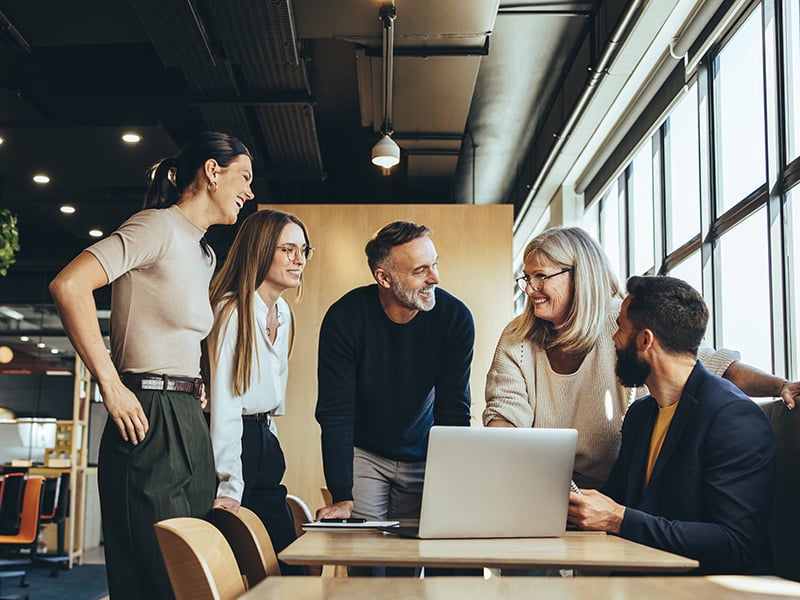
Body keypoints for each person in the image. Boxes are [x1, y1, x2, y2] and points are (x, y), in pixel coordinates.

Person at [49, 132, 254, 599]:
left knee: (193, 578)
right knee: (156, 579)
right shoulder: (156, 226)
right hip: (144, 413)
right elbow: (69, 286)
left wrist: (195, 379)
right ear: (212, 171)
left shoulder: (204, 253)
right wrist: (110, 384)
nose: (249, 191)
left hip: (186, 418)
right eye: (244, 177)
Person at [484, 227, 798, 489]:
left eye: (540, 277)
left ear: (579, 277)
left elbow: (703, 366)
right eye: (526, 278)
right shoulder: (518, 338)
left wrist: (779, 385)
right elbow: (505, 417)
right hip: (540, 484)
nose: (530, 289)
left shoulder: (621, 322)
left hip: (619, 489)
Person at [567, 275, 776, 574]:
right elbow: (614, 502)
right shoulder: (641, 416)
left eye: (620, 329)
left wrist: (618, 519)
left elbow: (737, 543)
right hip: (644, 582)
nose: (613, 338)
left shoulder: (734, 418)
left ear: (645, 340)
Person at [314, 221, 475, 528]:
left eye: (435, 265)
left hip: (426, 452)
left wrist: (454, 483)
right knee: (366, 558)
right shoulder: (345, 318)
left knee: (411, 559)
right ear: (384, 278)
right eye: (420, 271)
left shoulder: (455, 319)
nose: (435, 278)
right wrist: (341, 495)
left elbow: (453, 409)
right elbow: (336, 412)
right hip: (365, 453)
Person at [206, 209, 312, 575]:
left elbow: (271, 397)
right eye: (288, 249)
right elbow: (225, 403)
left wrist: (271, 440)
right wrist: (231, 483)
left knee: (286, 562)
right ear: (261, 250)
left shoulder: (282, 312)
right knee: (234, 566)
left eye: (303, 250)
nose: (299, 259)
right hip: (235, 444)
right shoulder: (232, 310)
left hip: (264, 439)